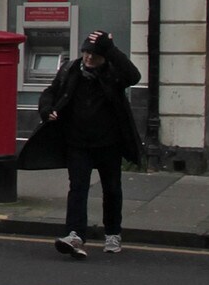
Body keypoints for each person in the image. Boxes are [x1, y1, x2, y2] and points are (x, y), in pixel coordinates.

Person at [27, 28, 143, 259]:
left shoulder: (113, 73)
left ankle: (112, 233)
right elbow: (50, 92)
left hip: (109, 143)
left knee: (111, 190)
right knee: (77, 189)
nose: (89, 57)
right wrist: (46, 110)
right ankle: (75, 234)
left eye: (95, 54)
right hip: (77, 142)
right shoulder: (71, 70)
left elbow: (134, 76)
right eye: (87, 52)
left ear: (105, 56)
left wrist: (110, 50)